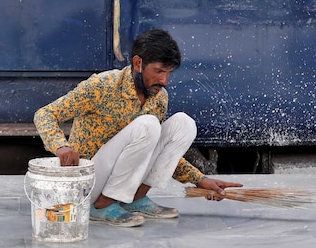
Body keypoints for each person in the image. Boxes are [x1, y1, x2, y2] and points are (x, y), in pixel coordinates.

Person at [33, 28, 242, 227]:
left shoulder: (158, 98)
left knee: (183, 124)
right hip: (88, 183)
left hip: (122, 181)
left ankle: (134, 198)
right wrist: (60, 146)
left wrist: (200, 180)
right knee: (148, 125)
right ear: (138, 63)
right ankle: (102, 205)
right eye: (159, 71)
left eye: (169, 73)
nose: (164, 81)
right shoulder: (102, 86)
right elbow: (45, 114)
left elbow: (159, 153)